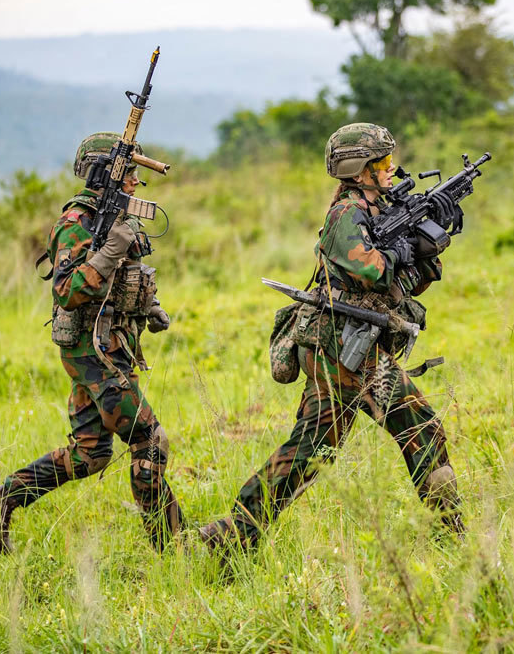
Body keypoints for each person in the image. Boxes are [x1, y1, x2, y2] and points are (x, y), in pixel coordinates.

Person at [199, 122, 464, 551]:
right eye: (382, 161)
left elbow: (407, 283)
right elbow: (372, 270)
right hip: (344, 347)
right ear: (359, 170)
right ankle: (456, 539)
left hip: (343, 346)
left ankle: (232, 534)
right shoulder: (346, 215)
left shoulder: (377, 211)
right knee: (422, 428)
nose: (391, 168)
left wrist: (431, 243)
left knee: (311, 451)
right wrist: (405, 250)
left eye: (390, 159)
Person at [0, 132, 182, 553]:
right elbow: (67, 291)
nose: (136, 180)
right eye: (128, 172)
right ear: (105, 174)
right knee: (149, 439)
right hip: (92, 350)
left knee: (90, 454)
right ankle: (173, 547)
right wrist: (109, 252)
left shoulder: (115, 218)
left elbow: (124, 277)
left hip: (111, 344)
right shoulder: (75, 224)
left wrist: (149, 306)